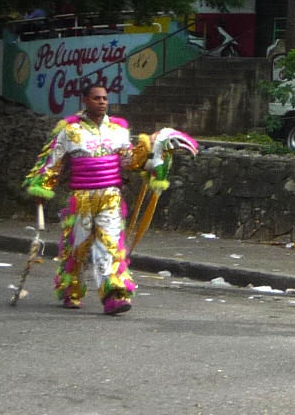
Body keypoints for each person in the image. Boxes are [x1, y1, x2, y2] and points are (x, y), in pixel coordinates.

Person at [21, 79, 187, 314]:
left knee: (109, 246)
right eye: (97, 98)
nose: (102, 102)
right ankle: (71, 289)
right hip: (81, 198)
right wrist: (41, 188)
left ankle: (114, 295)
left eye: (105, 98)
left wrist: (153, 150)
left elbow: (128, 161)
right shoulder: (69, 131)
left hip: (111, 197)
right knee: (77, 247)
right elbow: (52, 162)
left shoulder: (118, 130)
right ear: (85, 100)